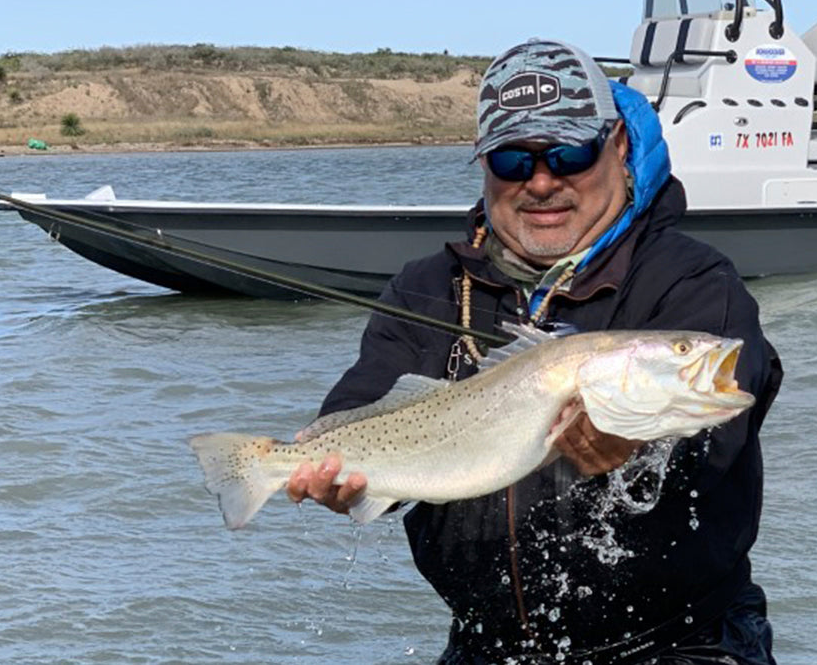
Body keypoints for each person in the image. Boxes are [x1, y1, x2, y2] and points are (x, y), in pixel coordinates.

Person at [288, 39, 782, 664]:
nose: (543, 183)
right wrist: (333, 472)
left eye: (569, 154)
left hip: (683, 640)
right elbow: (361, 404)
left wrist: (637, 449)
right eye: (513, 161)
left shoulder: (693, 280)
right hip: (485, 646)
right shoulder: (424, 288)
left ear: (618, 147)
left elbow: (729, 414)